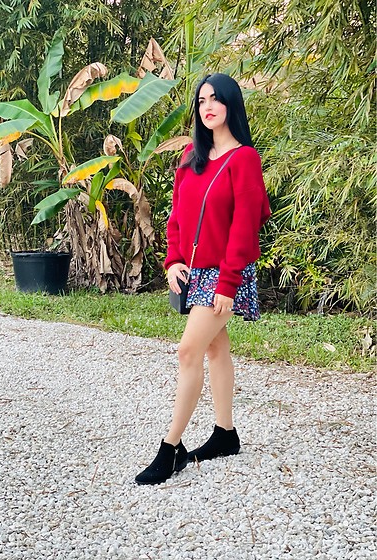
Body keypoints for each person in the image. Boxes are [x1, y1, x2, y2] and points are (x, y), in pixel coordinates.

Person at [135, 73, 271, 485]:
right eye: (201, 100)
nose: (207, 106)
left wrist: (228, 283)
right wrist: (173, 260)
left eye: (215, 99)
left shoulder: (244, 159)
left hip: (227, 272)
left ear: (231, 104)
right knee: (214, 348)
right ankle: (226, 434)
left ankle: (170, 447)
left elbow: (244, 228)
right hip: (195, 270)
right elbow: (177, 217)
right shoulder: (190, 158)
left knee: (187, 352)